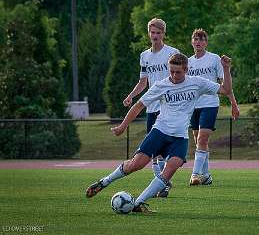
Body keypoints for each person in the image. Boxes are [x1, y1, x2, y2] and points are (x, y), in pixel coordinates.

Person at [85, 53, 238, 213]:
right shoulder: (161, 85)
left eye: (177, 72)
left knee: (171, 170)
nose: (173, 75)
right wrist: (123, 126)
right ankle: (104, 182)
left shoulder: (197, 83)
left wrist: (226, 69)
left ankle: (138, 203)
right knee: (135, 165)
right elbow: (138, 106)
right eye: (171, 71)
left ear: (186, 70)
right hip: (159, 132)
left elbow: (226, 89)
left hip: (180, 137)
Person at [123, 18, 179, 197]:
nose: (155, 36)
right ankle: (163, 184)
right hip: (152, 106)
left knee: (162, 149)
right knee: (155, 152)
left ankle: (163, 184)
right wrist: (131, 95)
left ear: (163, 34)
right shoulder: (144, 56)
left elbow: (182, 76)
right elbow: (143, 82)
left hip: (169, 106)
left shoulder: (172, 53)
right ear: (149, 33)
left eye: (158, 33)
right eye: (152, 32)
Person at [187, 29, 240, 186]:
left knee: (203, 138)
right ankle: (207, 175)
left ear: (206, 43)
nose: (199, 42)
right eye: (196, 39)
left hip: (210, 103)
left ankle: (195, 175)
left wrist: (234, 104)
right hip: (193, 105)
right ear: (192, 41)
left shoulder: (214, 59)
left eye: (202, 39)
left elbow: (226, 86)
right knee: (198, 139)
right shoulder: (188, 62)